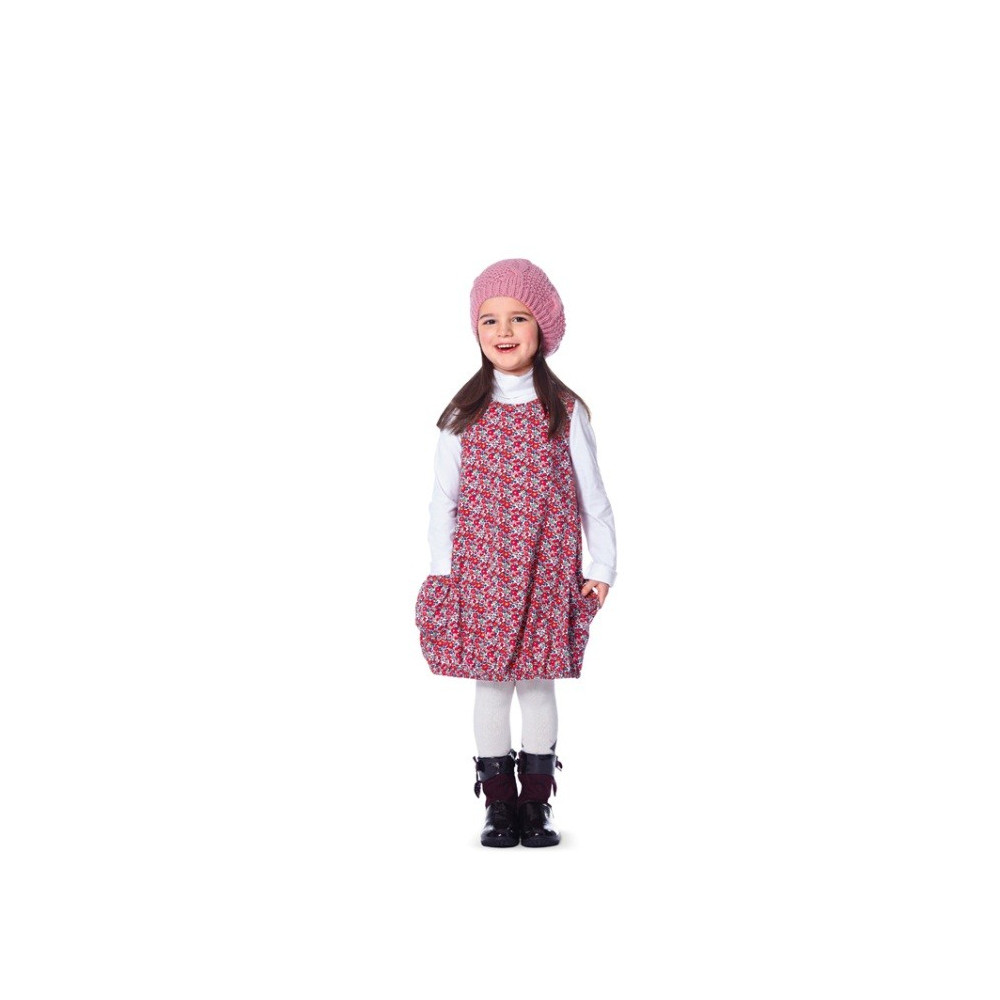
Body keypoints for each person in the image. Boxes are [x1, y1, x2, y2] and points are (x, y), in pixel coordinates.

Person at [414, 258, 617, 848]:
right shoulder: (462, 415)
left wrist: (602, 567)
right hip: (481, 577)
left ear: (543, 326)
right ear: (475, 330)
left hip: (545, 572)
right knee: (491, 686)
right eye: (490, 320)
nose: (503, 331)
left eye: (518, 318)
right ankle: (499, 805)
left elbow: (592, 497)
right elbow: (443, 502)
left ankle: (536, 803)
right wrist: (443, 576)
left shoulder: (565, 411)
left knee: (537, 684)